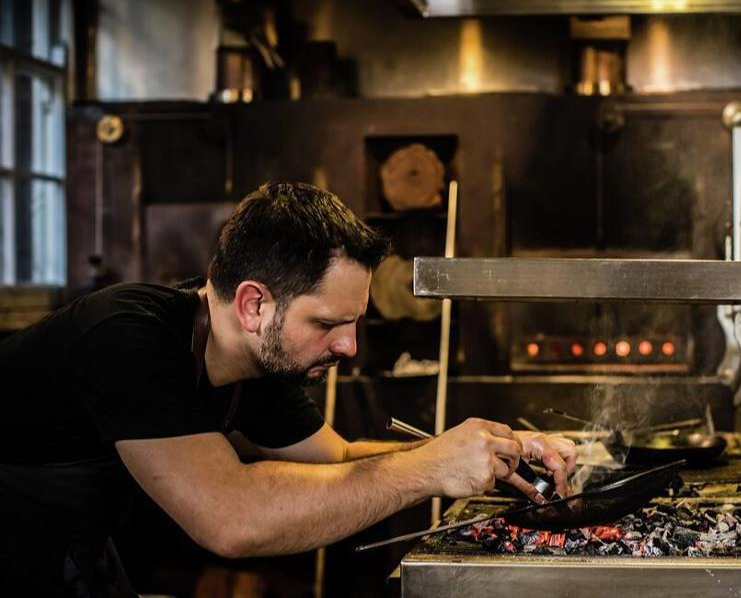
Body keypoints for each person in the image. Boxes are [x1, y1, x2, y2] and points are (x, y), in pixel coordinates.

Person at [0, 181, 577, 597]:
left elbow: (340, 458)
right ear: (254, 304)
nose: (348, 347)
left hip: (74, 553)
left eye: (355, 323)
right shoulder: (127, 339)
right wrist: (429, 471)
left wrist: (486, 453)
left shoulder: (257, 359)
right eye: (327, 324)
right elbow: (231, 519)